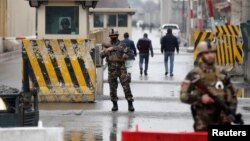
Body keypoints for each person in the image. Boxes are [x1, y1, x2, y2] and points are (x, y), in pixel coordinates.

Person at [180, 40, 238, 131]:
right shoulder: (194, 74)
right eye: (206, 53)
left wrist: (230, 113)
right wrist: (200, 99)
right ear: (200, 55)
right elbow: (183, 96)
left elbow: (233, 96)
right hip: (203, 124)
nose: (210, 55)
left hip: (223, 121)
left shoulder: (222, 73)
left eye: (212, 52)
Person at [100, 29, 135, 112]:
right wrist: (107, 50)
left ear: (117, 36)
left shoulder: (122, 45)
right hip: (111, 70)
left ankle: (130, 104)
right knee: (112, 88)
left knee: (126, 86)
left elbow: (130, 53)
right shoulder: (107, 46)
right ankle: (114, 105)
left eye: (114, 36)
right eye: (111, 36)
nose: (113, 37)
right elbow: (101, 55)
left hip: (121, 69)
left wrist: (125, 55)